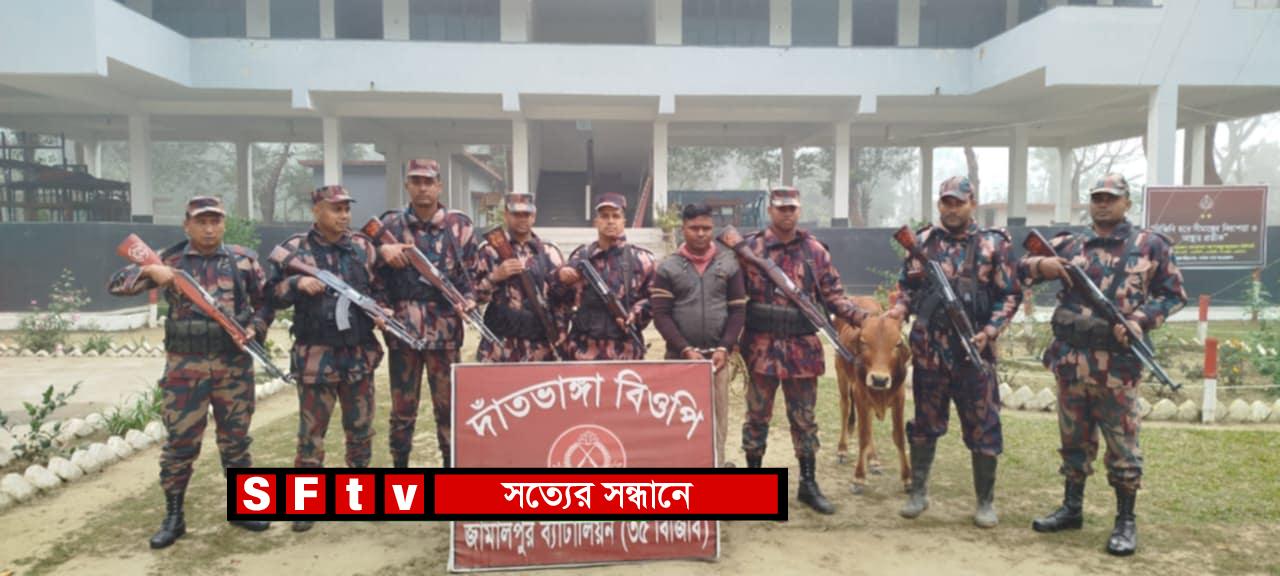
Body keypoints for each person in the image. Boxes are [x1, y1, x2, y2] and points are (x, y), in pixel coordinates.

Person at [1020, 173, 1186, 556]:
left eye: (1111, 197)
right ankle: (1071, 508)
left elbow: (1174, 294)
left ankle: (1125, 521)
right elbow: (1018, 270)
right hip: (1072, 363)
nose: (1103, 203)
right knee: (1072, 441)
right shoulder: (1069, 245)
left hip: (1117, 369)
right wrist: (1041, 264)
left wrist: (1140, 320)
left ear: (1127, 202)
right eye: (1097, 197)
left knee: (1123, 449)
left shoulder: (1151, 245)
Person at [108, 196, 273, 548]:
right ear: (187, 225)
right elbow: (116, 285)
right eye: (201, 221)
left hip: (232, 368)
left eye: (215, 221)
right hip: (185, 370)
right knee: (180, 445)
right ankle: (174, 517)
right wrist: (148, 272)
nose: (209, 228)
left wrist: (255, 327)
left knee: (236, 442)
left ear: (224, 224)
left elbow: (266, 302)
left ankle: (245, 509)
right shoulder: (169, 260)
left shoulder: (242, 261)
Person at [887, 176, 1022, 529]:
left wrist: (990, 330)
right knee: (924, 424)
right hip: (930, 353)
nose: (952, 208)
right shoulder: (922, 242)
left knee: (984, 426)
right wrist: (900, 308)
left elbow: (1010, 294)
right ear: (939, 204)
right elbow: (906, 286)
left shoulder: (993, 244)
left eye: (958, 202)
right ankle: (918, 493)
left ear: (972, 203)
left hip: (974, 352)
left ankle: (985, 502)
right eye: (946, 202)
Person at [737, 186, 868, 514]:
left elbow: (834, 296)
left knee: (804, 419)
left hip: (801, 350)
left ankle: (808, 484)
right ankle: (753, 488)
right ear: (770, 210)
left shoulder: (814, 251)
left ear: (799, 210)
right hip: (761, 348)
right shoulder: (749, 248)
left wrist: (862, 318)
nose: (787, 213)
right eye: (781, 208)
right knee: (756, 417)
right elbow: (731, 292)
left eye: (792, 208)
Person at [264, 185, 387, 533]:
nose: (343, 215)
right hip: (316, 356)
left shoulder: (362, 247)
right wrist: (296, 284)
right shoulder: (295, 249)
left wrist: (381, 310)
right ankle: (306, 504)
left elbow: (379, 289)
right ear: (316, 210)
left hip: (357, 353)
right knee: (311, 434)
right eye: (336, 209)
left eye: (347, 209)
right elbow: (270, 294)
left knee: (360, 429)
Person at [372, 159, 478, 469]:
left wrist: (469, 300)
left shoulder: (459, 226)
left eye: (428, 182)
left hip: (445, 333)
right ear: (407, 185)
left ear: (439, 186)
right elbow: (370, 274)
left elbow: (470, 274)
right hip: (403, 332)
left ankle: (450, 470)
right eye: (416, 181)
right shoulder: (389, 226)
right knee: (402, 411)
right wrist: (381, 252)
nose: (422, 188)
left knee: (448, 410)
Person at [652, 203, 747, 467]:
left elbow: (738, 311)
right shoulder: (667, 267)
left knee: (717, 419)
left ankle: (716, 466)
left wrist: (724, 347)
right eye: (694, 228)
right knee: (679, 418)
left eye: (706, 228)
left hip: (717, 360)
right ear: (683, 229)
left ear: (713, 228)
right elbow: (661, 315)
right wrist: (684, 349)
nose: (701, 233)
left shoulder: (729, 264)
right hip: (679, 360)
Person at [556, 192, 656, 361]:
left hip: (625, 354)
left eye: (616, 216)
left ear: (624, 221)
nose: (610, 221)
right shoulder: (580, 256)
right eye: (604, 216)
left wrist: (636, 313)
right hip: (582, 353)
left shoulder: (642, 259)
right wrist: (561, 278)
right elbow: (560, 298)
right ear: (596, 221)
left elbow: (655, 299)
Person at [473, 193, 572, 362]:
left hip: (539, 346)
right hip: (500, 345)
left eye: (526, 214)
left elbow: (561, 299)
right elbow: (472, 297)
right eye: (516, 214)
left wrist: (561, 329)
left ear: (534, 216)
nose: (522, 219)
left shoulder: (549, 252)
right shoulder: (489, 250)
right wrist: (494, 277)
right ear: (506, 215)